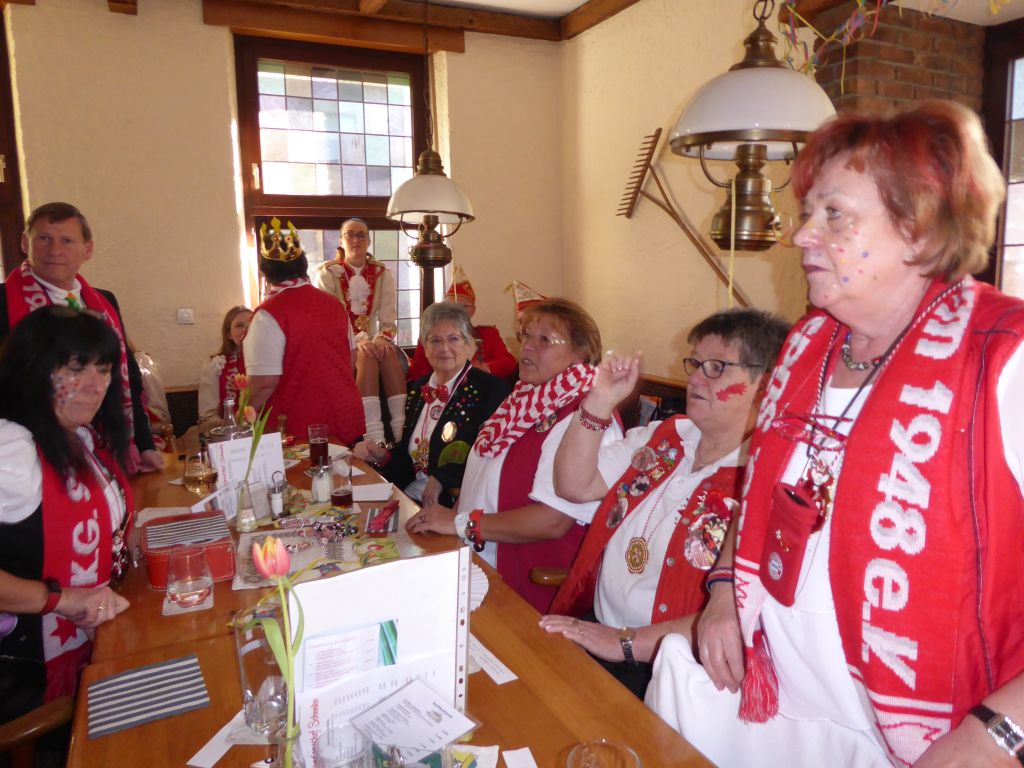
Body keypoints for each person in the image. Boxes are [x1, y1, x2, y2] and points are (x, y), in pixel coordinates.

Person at [645, 100, 1024, 768]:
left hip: (921, 743)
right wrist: (725, 589)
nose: (801, 236)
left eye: (835, 215)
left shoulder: (1004, 356)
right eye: (807, 212)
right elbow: (759, 499)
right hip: (775, 712)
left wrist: (996, 734)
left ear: (920, 228)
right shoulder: (806, 348)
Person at [538, 309, 789, 699]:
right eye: (695, 364)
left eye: (717, 367)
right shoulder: (663, 437)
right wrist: (600, 401)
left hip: (673, 673)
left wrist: (622, 642)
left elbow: (743, 615)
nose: (696, 378)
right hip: (598, 633)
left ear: (767, 386)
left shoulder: (765, 482)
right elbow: (573, 486)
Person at [406, 298, 622, 613]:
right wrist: (448, 518)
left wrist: (460, 523)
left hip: (527, 587)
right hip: (476, 559)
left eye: (545, 339)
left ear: (580, 353)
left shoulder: (587, 417)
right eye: (527, 335)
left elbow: (552, 522)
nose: (528, 346)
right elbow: (483, 476)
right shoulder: (524, 399)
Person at [0, 306, 132, 729]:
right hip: (24, 675)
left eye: (103, 369)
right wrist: (64, 599)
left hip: (95, 636)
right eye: (75, 369)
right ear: (33, 371)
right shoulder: (10, 451)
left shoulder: (76, 437)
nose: (96, 386)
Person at [0, 202, 161, 475]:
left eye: (66, 241)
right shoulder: (3, 302)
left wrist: (144, 444)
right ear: (26, 243)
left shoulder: (105, 301)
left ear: (87, 250)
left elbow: (127, 377)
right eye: (44, 238)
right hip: (28, 456)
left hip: (105, 451)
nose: (54, 250)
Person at [354, 302, 508, 507]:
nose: (444, 348)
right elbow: (410, 460)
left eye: (453, 339)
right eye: (435, 340)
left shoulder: (491, 389)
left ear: (467, 344)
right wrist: (383, 456)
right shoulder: (418, 389)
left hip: (454, 505)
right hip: (410, 497)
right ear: (425, 348)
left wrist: (441, 479)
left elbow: (492, 458)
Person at [243, 219, 364, 444]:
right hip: (345, 416)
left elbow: (264, 382)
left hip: (300, 425)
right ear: (303, 264)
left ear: (264, 271)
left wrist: (241, 417)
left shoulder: (269, 314)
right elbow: (350, 360)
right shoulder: (334, 305)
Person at [312, 218, 406, 443]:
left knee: (388, 352)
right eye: (350, 234)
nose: (356, 240)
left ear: (369, 241)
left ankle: (402, 432)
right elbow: (330, 320)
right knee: (365, 356)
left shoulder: (382, 273)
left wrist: (382, 338)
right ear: (341, 241)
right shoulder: (327, 274)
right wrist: (357, 340)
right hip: (340, 344)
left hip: (374, 340)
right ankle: (374, 436)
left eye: (361, 235)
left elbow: (388, 318)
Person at [406, 267, 517, 382]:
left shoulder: (489, 335)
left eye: (464, 307)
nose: (457, 312)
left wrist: (483, 368)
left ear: (473, 310)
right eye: (451, 307)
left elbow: (508, 362)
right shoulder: (430, 338)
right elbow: (419, 374)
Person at [198, 305, 252, 428]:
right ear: (229, 334)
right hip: (228, 432)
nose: (246, 330)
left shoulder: (267, 364)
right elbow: (208, 415)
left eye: (251, 325)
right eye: (239, 326)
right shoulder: (216, 365)